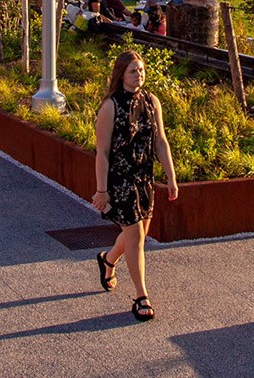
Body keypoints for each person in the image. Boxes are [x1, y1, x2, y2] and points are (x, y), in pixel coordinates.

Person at [91, 51, 179, 322]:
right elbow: (102, 152)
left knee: (137, 236)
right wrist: (102, 190)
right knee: (137, 238)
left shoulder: (152, 101)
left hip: (144, 178)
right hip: (120, 181)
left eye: (141, 70)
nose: (138, 75)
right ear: (121, 74)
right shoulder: (111, 106)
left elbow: (161, 142)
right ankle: (141, 295)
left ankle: (108, 260)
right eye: (133, 71)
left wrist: (171, 177)